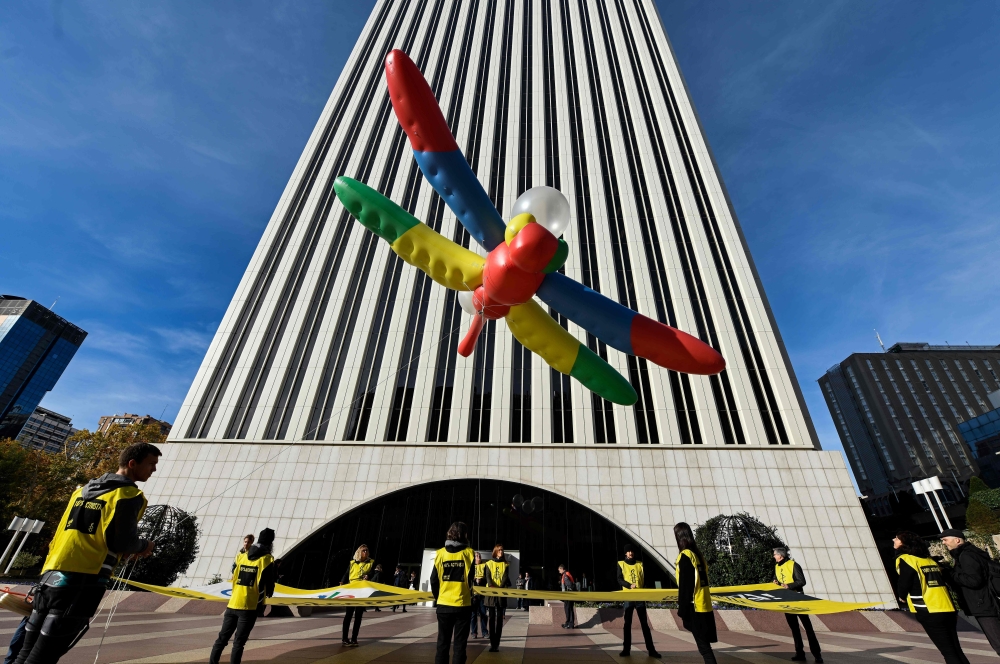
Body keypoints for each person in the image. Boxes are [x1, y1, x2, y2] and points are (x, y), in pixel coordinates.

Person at [14, 442, 160, 664]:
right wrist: (143, 546)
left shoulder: (80, 491)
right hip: (83, 582)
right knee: (42, 658)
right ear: (132, 464)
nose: (154, 470)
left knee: (26, 653)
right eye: (151, 464)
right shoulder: (129, 495)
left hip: (50, 577)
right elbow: (122, 541)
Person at [894, 531, 969, 664]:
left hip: (928, 609)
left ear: (904, 543)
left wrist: (902, 596)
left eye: (897, 538)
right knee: (955, 648)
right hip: (947, 607)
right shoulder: (928, 560)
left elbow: (904, 581)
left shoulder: (906, 559)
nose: (894, 540)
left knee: (948, 651)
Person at [209, 528, 276, 664]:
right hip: (249, 606)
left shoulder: (242, 556)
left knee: (221, 639)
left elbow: (234, 574)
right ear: (270, 543)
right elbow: (270, 586)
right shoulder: (267, 560)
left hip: (232, 603)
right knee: (239, 643)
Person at [940, 529, 1000, 654]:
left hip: (983, 604)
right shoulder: (969, 553)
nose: (944, 543)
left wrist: (949, 574)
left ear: (957, 540)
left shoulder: (966, 555)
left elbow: (974, 580)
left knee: (998, 643)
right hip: (985, 602)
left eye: (945, 540)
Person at [430, 521, 475, 664]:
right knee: (460, 645)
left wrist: (439, 597)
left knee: (442, 644)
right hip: (462, 605)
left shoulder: (440, 554)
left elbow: (433, 580)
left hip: (444, 605)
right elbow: (471, 579)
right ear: (464, 535)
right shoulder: (469, 554)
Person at [675, 522, 717, 664]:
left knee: (704, 648)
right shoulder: (698, 555)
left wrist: (682, 609)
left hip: (695, 606)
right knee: (705, 645)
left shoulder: (685, 556)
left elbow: (686, 586)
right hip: (704, 604)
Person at [773, 547, 822, 663]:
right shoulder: (776, 566)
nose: (773, 556)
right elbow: (776, 579)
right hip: (786, 601)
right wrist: (775, 582)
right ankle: (799, 653)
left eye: (775, 554)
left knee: (808, 628)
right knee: (794, 629)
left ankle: (817, 655)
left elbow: (801, 581)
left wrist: (788, 586)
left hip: (798, 600)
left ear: (781, 556)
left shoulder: (794, 565)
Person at [617, 544, 661, 658]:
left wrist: (645, 590)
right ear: (625, 553)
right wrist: (628, 585)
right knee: (627, 624)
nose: (630, 553)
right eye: (628, 551)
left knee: (644, 624)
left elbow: (646, 579)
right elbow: (619, 579)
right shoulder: (620, 564)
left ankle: (651, 650)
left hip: (640, 597)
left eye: (632, 551)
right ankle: (626, 649)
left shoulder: (640, 564)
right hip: (628, 597)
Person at [341, 544, 374, 647]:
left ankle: (354, 638)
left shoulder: (371, 562)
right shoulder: (352, 563)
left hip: (362, 590)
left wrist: (368, 576)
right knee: (348, 615)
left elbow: (374, 573)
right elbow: (346, 574)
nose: (366, 552)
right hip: (352, 590)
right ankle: (345, 638)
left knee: (359, 615)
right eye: (363, 550)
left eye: (367, 550)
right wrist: (342, 582)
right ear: (359, 552)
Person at [484, 544, 511, 652]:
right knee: (491, 618)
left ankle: (497, 644)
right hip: (491, 593)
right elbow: (487, 576)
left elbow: (505, 577)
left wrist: (499, 589)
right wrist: (492, 586)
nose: (501, 551)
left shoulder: (506, 564)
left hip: (500, 593)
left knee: (499, 619)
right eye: (499, 550)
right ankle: (492, 643)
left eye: (502, 550)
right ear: (495, 551)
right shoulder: (488, 564)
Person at [470, 552, 489, 639]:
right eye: (477, 556)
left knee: (484, 614)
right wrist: (474, 579)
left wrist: (482, 580)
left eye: (479, 556)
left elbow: (488, 578)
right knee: (473, 615)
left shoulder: (484, 566)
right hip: (473, 595)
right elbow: (468, 579)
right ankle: (474, 632)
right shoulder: (471, 567)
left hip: (482, 595)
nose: (478, 557)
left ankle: (485, 632)